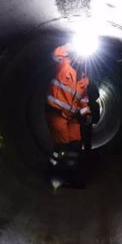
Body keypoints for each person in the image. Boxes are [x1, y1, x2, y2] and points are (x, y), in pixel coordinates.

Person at [45, 43, 90, 187]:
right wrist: (74, 44)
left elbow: (83, 99)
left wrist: (86, 113)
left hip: (72, 117)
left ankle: (71, 174)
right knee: (62, 147)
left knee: (76, 145)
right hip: (57, 113)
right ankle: (56, 174)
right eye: (80, 54)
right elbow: (56, 53)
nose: (82, 58)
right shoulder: (63, 65)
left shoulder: (83, 78)